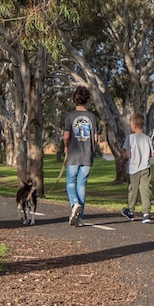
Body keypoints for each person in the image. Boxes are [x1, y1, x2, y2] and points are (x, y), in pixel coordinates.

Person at [62, 86, 98, 226]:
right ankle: (80, 218)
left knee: (70, 182)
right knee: (81, 184)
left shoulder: (70, 116)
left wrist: (66, 146)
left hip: (73, 155)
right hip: (87, 155)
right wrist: (91, 150)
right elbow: (95, 138)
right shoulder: (92, 117)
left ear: (74, 99)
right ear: (87, 100)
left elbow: (66, 135)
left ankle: (75, 204)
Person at [121, 112, 154, 223]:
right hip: (145, 167)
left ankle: (131, 211)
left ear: (134, 125)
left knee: (133, 190)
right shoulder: (147, 138)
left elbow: (127, 154)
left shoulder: (130, 138)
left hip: (133, 168)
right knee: (145, 190)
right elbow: (151, 154)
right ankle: (146, 213)